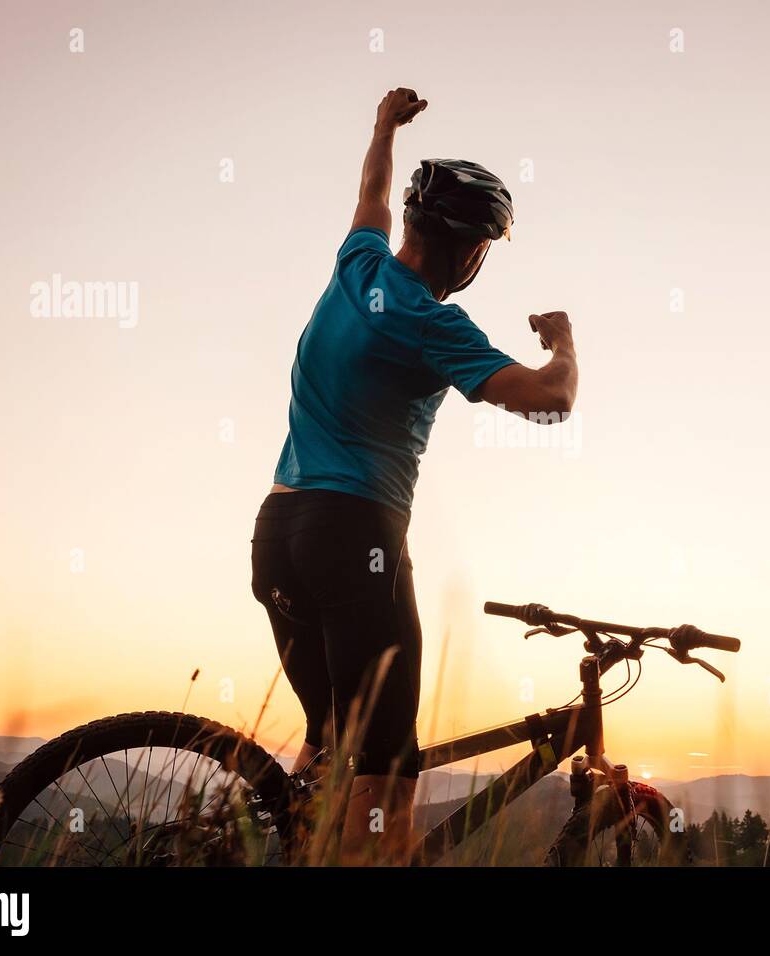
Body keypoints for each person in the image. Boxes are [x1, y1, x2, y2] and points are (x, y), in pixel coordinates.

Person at [250, 88, 578, 863]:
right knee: (390, 768)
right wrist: (564, 340)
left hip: (277, 534)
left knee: (332, 743)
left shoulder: (356, 262)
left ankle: (284, 850)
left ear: (410, 222)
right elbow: (550, 401)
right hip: (354, 536)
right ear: (472, 252)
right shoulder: (434, 325)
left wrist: (383, 125)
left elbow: (368, 191)